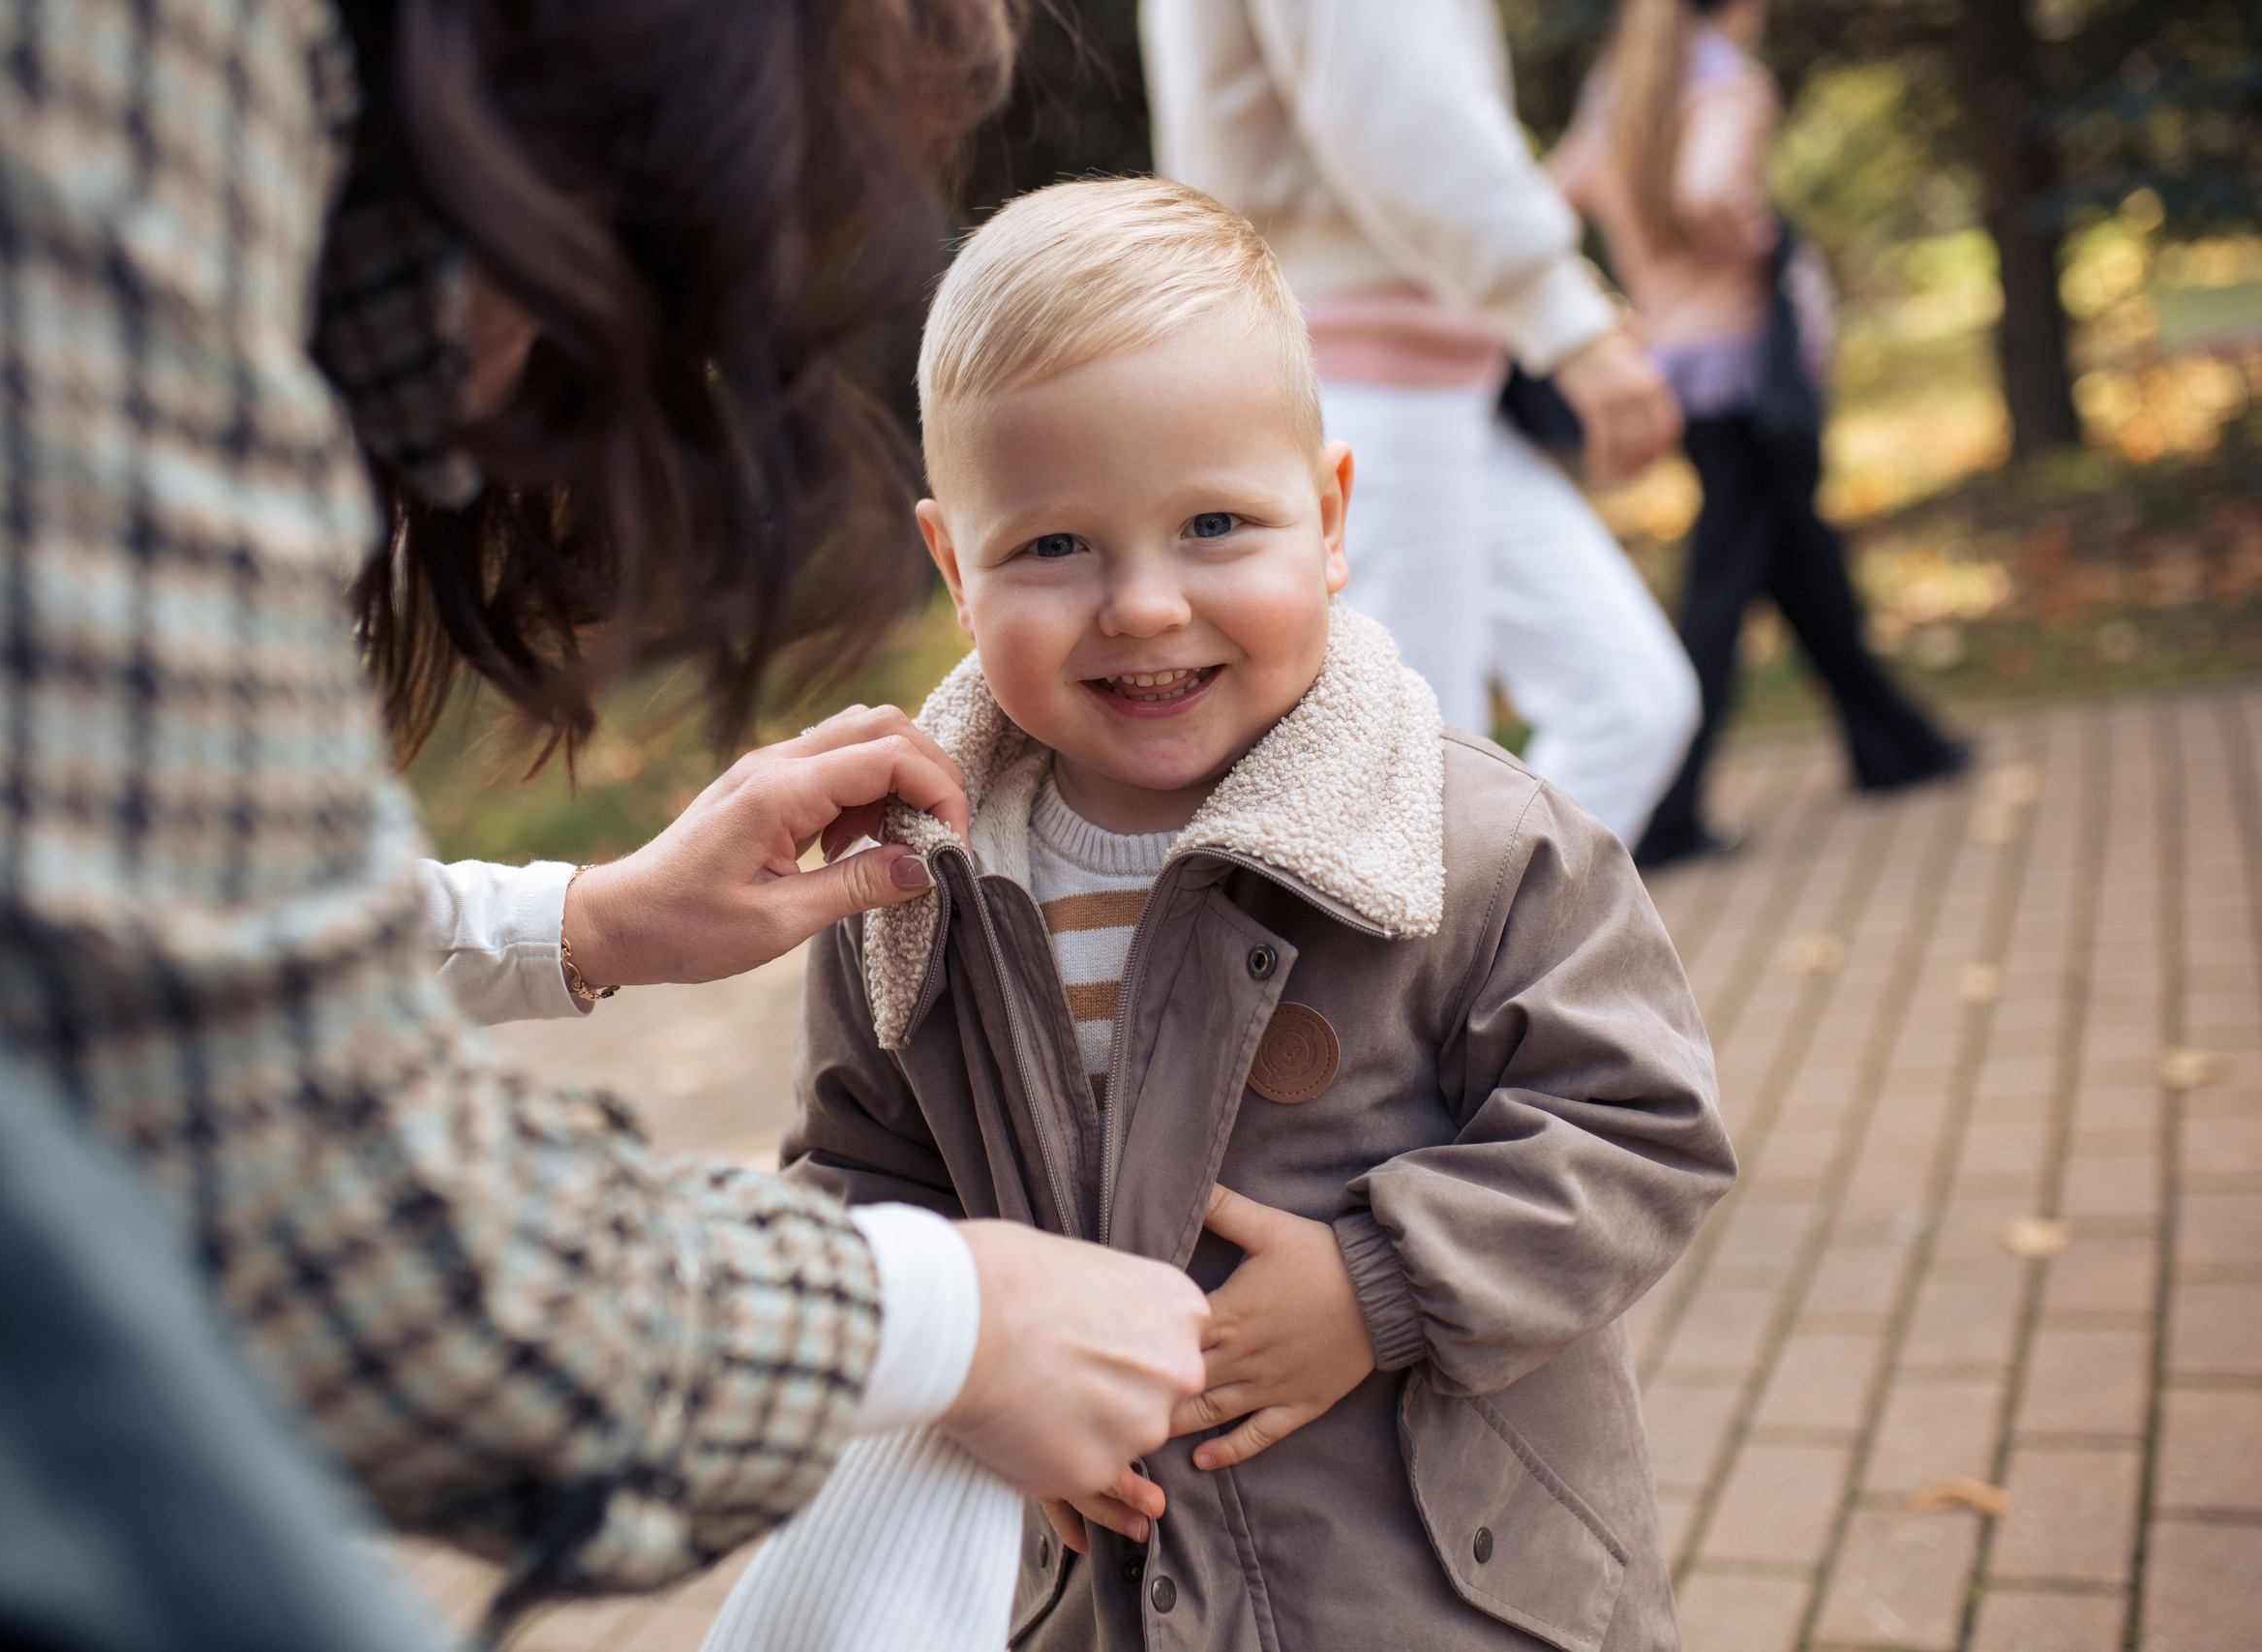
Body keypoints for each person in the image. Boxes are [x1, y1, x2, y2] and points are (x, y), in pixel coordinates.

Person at [0, 0, 1207, 1612]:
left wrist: (580, 921)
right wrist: (952, 1319)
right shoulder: (85, 68)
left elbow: (68, 883)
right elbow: (296, 1198)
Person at [716, 179, 1735, 1652]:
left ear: (1325, 518)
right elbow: (864, 1181)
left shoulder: (1477, 841)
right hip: (1110, 1595)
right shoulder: (906, 888)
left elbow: (1638, 1125)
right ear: (954, 565)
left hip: (1442, 1589)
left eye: (1213, 523)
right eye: (1053, 547)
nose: (1140, 604)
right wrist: (970, 1372)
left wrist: (1380, 1280)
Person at [1140, 0, 1701, 846]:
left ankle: (1496, 964)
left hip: (1423, 377)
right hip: (1352, 375)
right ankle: (1410, 974)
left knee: (1627, 699)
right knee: (1411, 788)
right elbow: (1398, 106)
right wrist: (1564, 315)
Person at [1553, 0, 1970, 867]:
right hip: (1744, 370)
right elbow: (1711, 190)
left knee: (1798, 555)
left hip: (1679, 359)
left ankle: (1894, 744)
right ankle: (1665, 811)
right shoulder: (1728, 85)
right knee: (1724, 582)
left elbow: (1555, 195)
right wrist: (1759, 240)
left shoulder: (1622, 90)